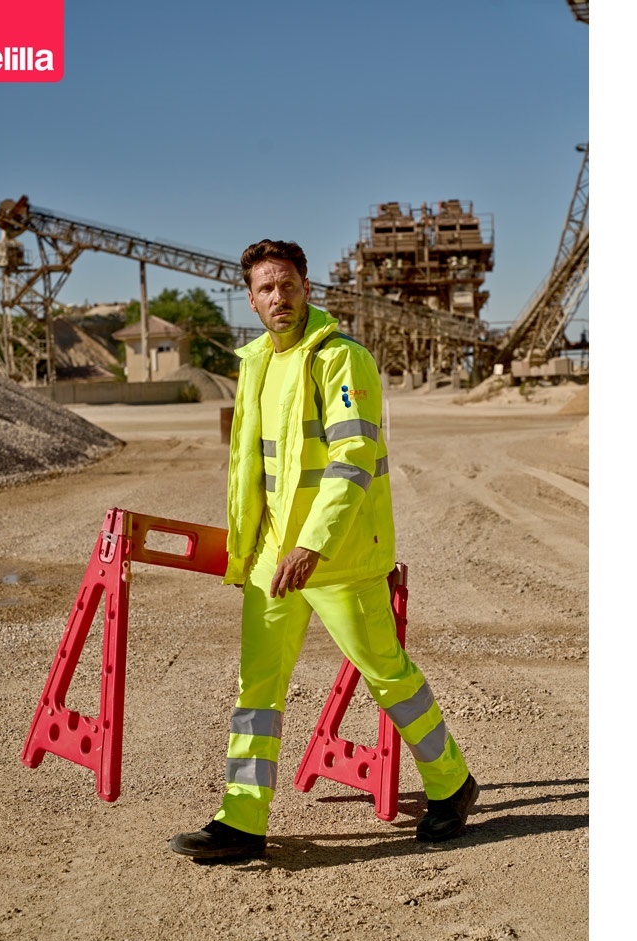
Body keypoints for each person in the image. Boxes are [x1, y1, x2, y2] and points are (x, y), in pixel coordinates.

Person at [169, 239, 478, 861]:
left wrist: (312, 543)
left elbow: (352, 457)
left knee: (387, 676)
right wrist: (248, 552)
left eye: (287, 284)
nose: (278, 297)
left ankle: (451, 783)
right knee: (256, 688)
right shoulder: (257, 362)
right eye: (265, 288)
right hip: (272, 559)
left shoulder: (342, 359)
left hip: (341, 557)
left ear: (306, 287)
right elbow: (253, 472)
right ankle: (242, 820)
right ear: (251, 299)